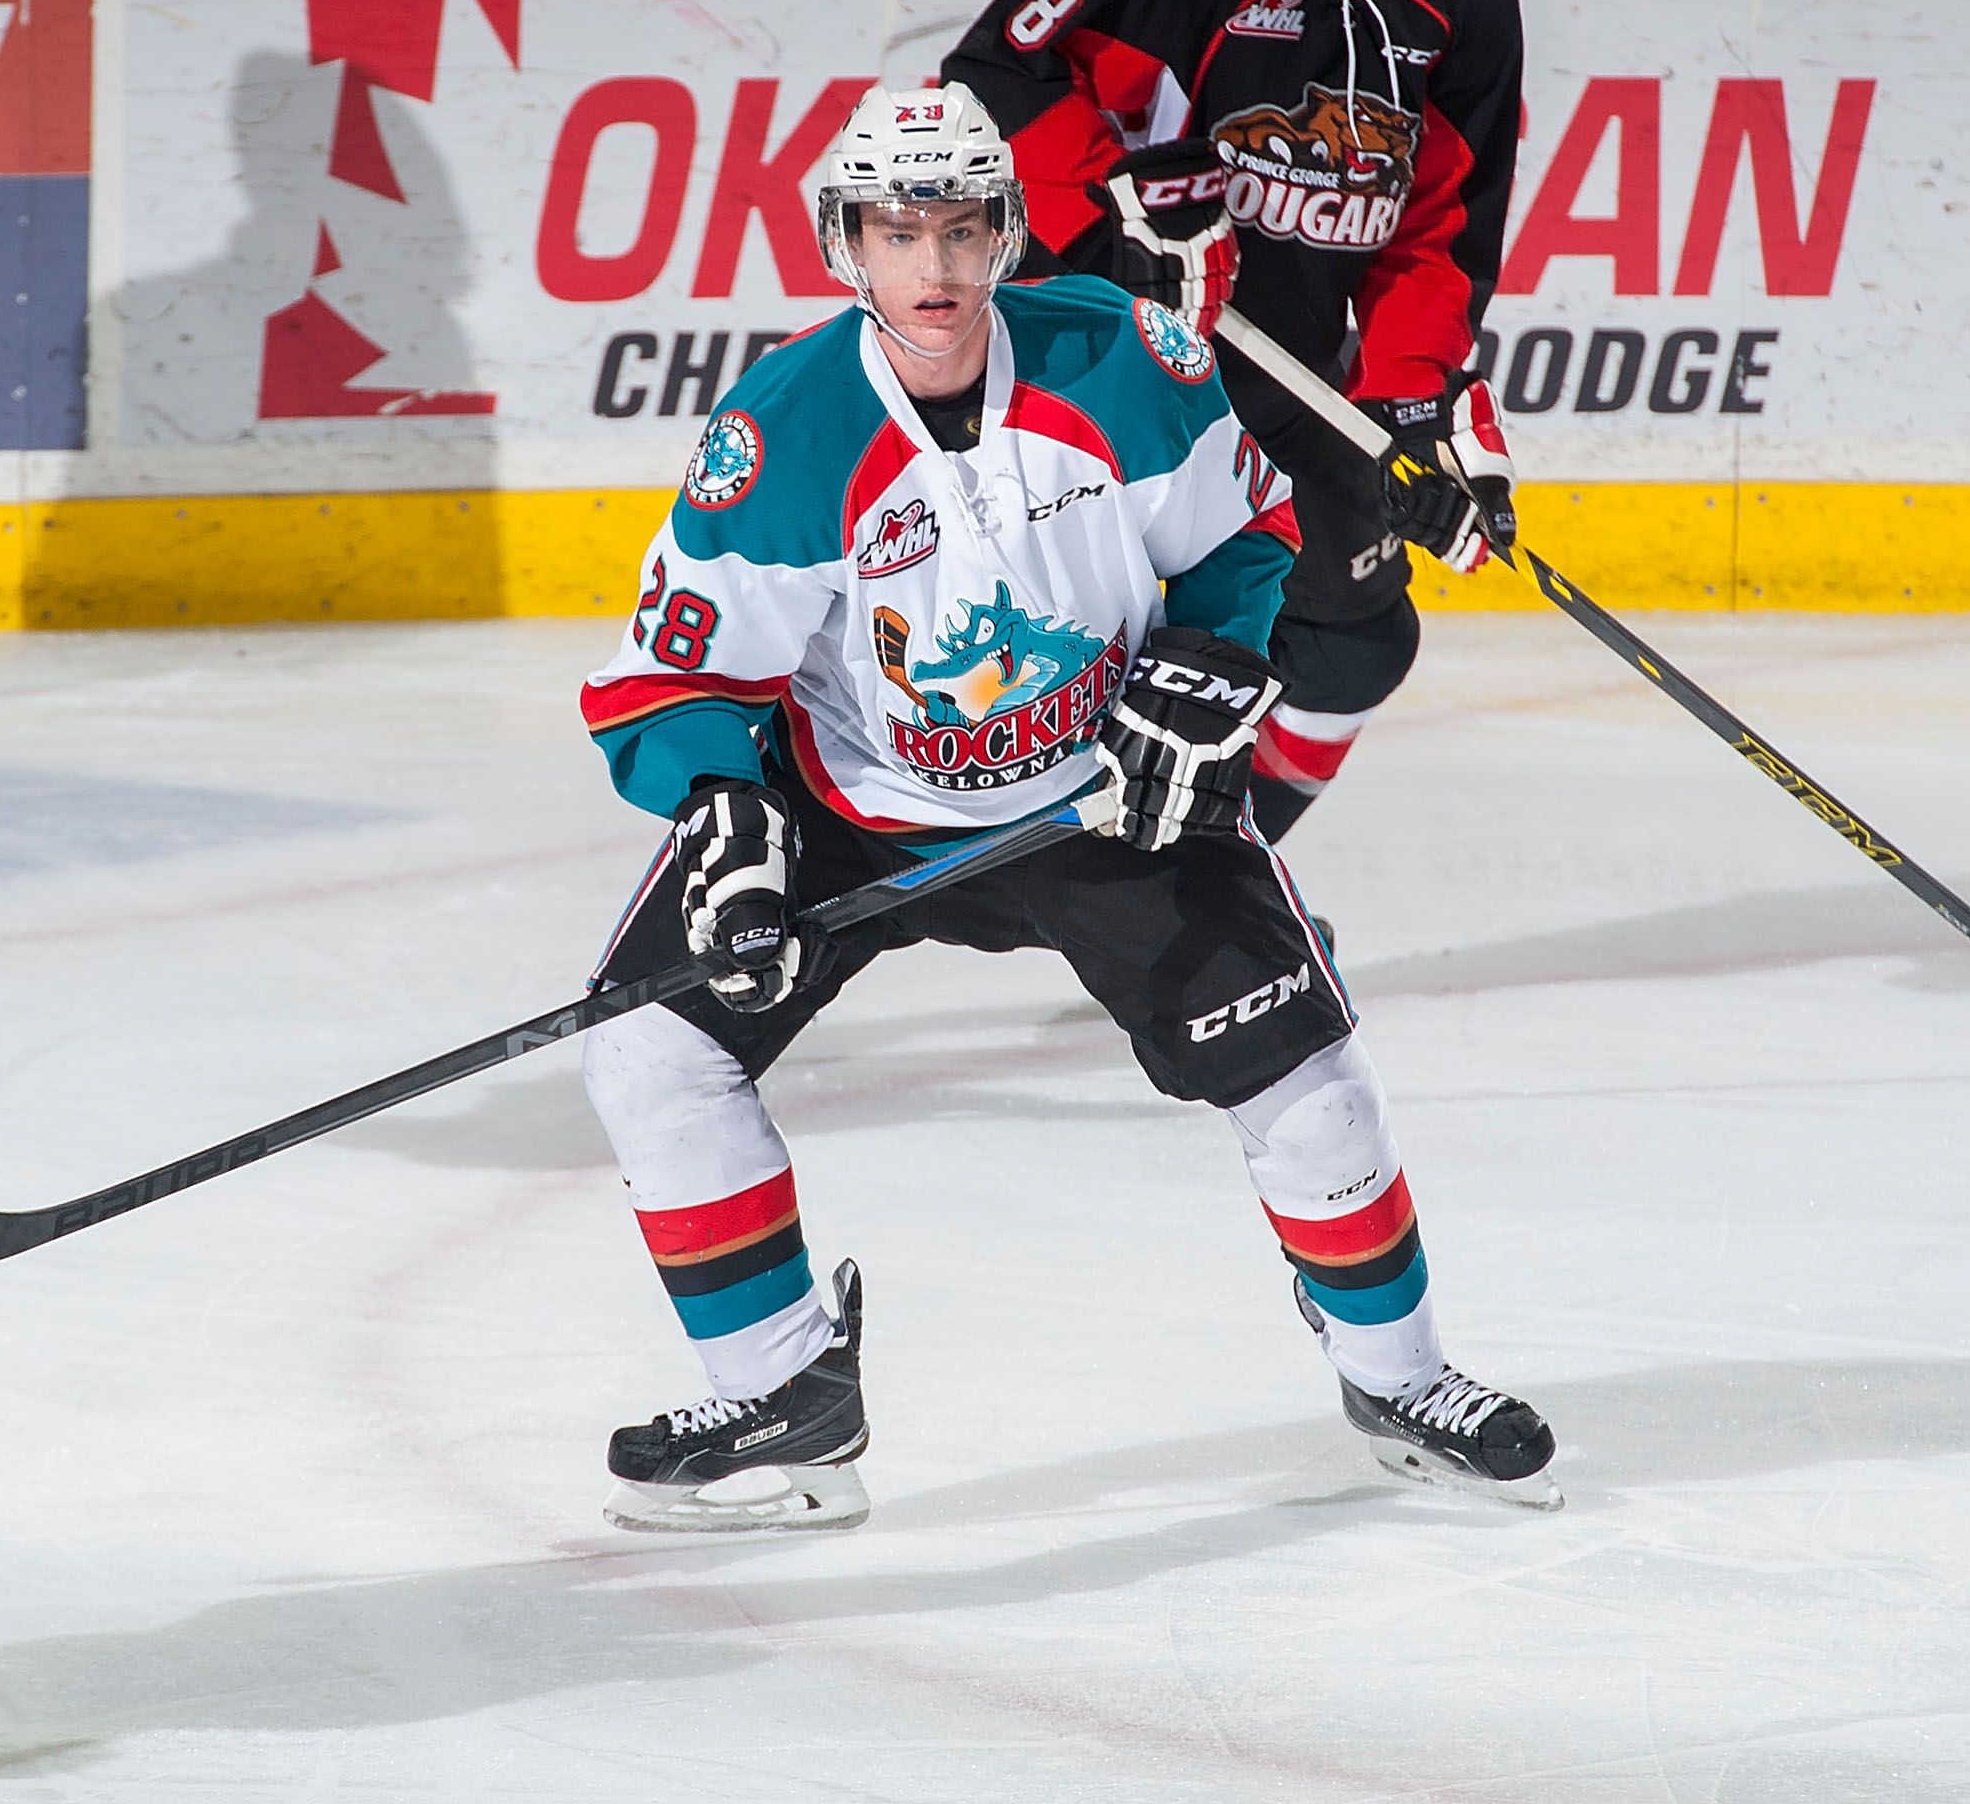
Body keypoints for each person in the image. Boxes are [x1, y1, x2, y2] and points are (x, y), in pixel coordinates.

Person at [573, 82, 1556, 1533]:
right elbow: (675, 676)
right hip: (854, 807)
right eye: (897, 230)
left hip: (1106, 802)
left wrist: (1210, 664)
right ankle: (784, 1396)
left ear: (1008, 231)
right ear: (844, 243)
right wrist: (726, 817)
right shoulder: (783, 433)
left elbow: (1247, 540)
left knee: (1311, 1080)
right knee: (652, 1048)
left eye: (963, 227)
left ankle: (1400, 1378)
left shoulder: (1125, 359)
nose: (934, 265)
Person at [942, 0, 1527, 856]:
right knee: (1060, 650)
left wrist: (1408, 409)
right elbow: (996, 70)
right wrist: (1107, 223)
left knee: (1353, 647)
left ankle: (1211, 868)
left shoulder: (1464, 0)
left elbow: (1435, 236)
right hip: (1101, 371)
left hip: (1281, 378)